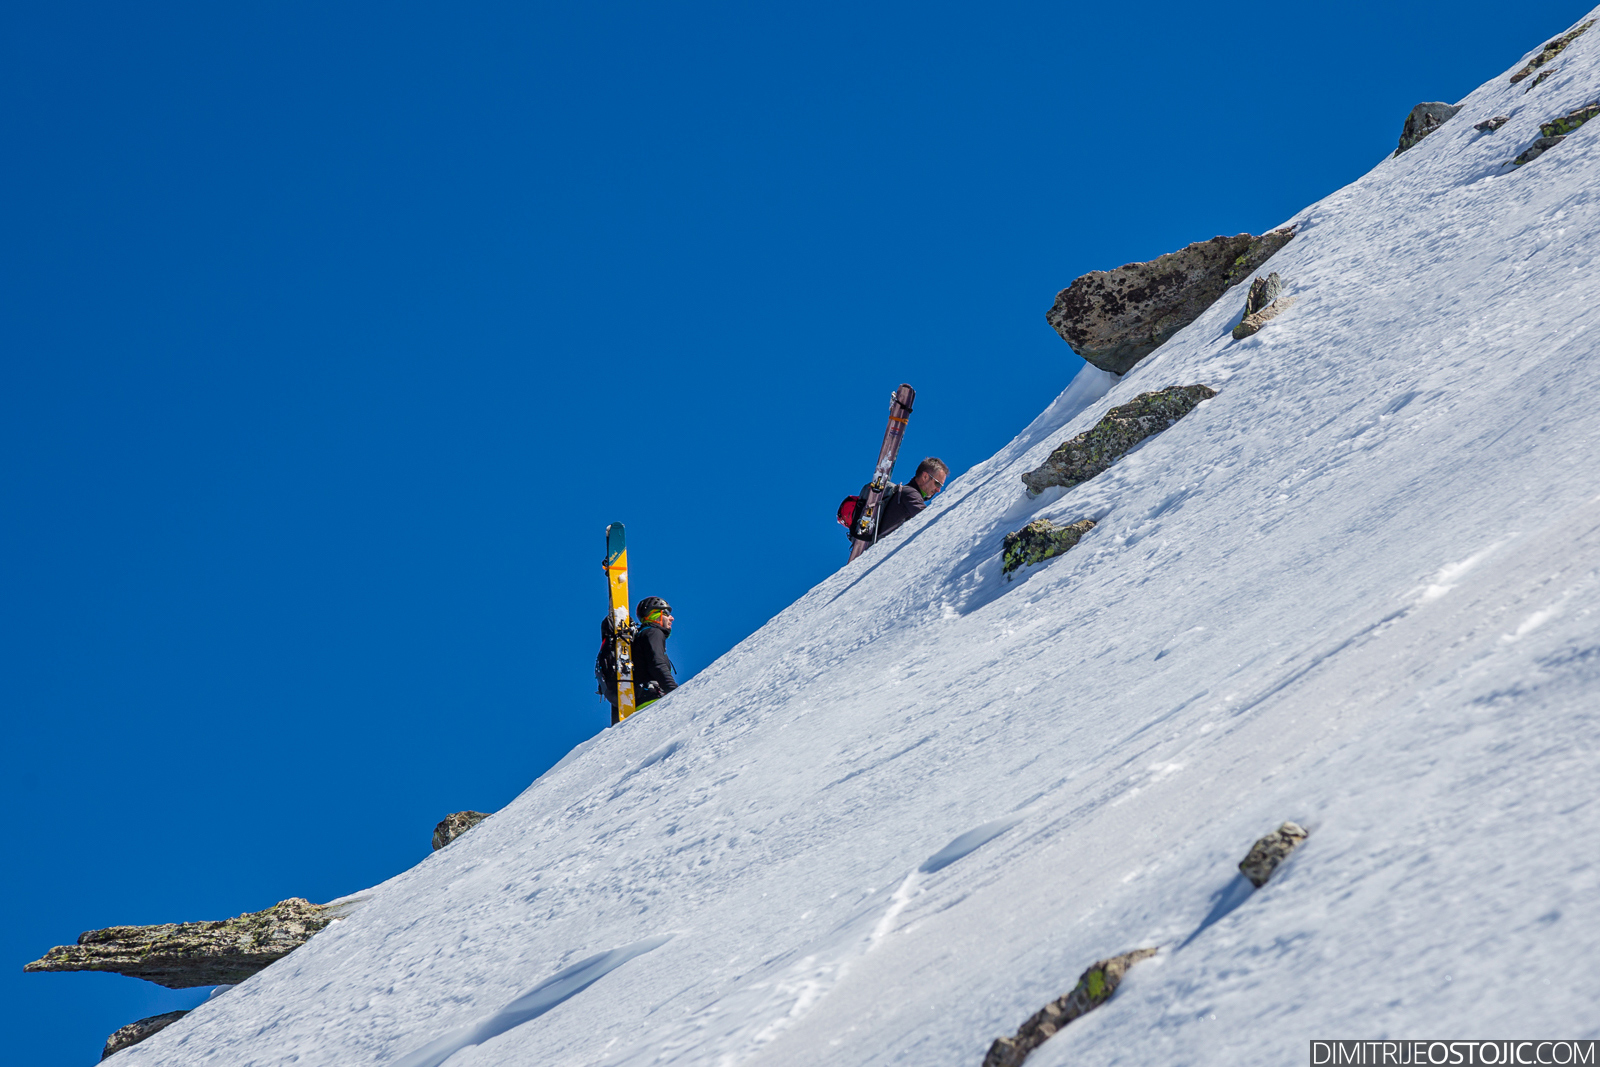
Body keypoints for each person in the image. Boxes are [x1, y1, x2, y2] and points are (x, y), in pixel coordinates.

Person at [869, 457, 948, 546]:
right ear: (925, 476)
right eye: (937, 484)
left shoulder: (906, 493)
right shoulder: (910, 494)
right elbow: (928, 520)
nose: (938, 490)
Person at [630, 596, 678, 713]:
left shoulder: (641, 636)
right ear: (654, 615)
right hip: (653, 699)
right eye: (666, 613)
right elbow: (657, 663)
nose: (672, 618)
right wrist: (675, 690)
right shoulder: (653, 632)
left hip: (640, 702)